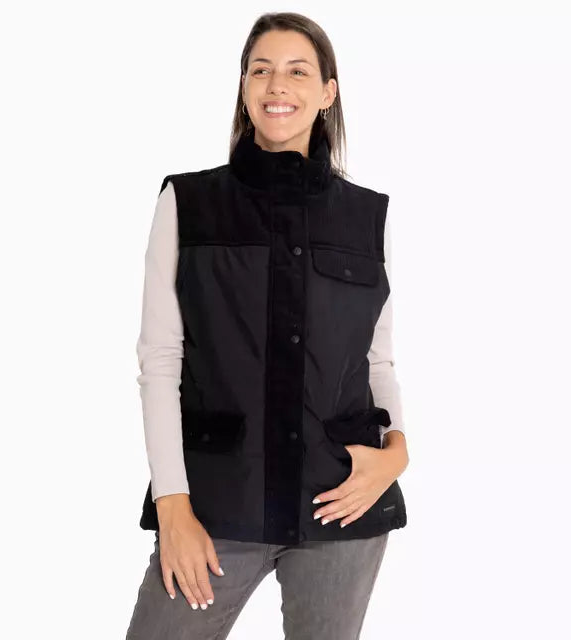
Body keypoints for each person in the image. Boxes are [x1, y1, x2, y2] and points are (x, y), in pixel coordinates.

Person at [126, 12, 410, 640]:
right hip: (215, 505)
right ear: (245, 87)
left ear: (327, 92)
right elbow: (160, 364)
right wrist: (173, 507)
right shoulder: (189, 203)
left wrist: (397, 453)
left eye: (297, 71)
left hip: (342, 505)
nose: (277, 85)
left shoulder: (367, 216)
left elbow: (377, 362)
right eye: (261, 70)